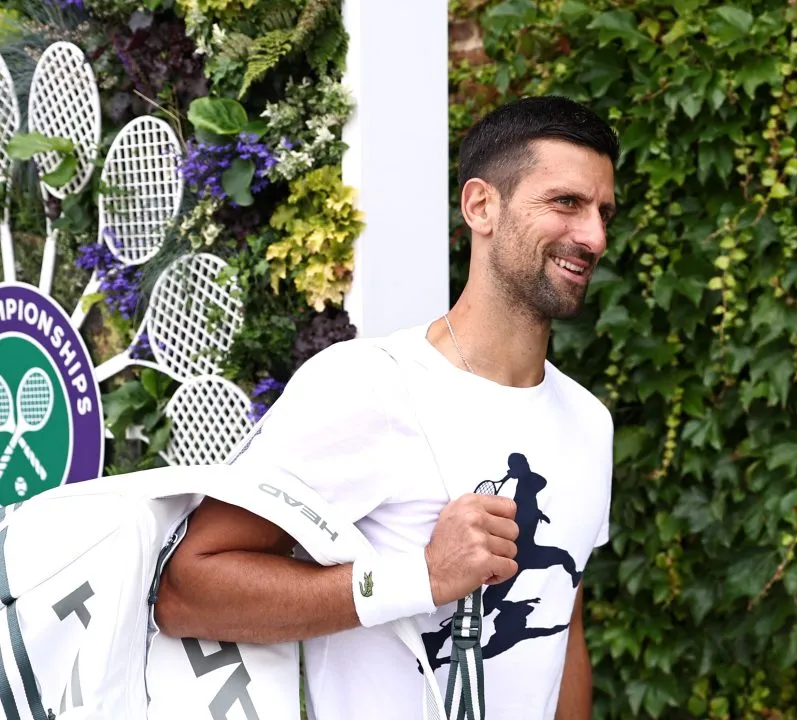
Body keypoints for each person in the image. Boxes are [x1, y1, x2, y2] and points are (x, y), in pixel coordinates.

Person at [154, 95, 619, 720]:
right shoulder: (369, 386)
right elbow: (187, 590)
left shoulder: (589, 421)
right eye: (566, 203)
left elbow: (564, 626)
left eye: (603, 212)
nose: (593, 236)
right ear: (481, 205)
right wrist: (420, 577)